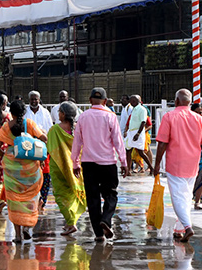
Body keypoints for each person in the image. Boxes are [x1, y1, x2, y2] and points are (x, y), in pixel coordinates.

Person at [153, 89, 202, 243]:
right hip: (192, 165)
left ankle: (188, 227)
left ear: (176, 101)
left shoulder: (169, 116)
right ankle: (179, 229)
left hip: (175, 164)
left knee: (177, 198)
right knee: (186, 197)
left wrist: (156, 164)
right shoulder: (200, 119)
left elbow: (162, 143)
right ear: (189, 103)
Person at [71, 87, 127, 242]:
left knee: (93, 197)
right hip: (108, 162)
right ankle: (106, 219)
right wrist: (124, 161)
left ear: (90, 101)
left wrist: (75, 162)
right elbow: (117, 140)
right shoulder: (110, 116)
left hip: (88, 163)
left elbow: (77, 142)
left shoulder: (83, 117)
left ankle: (98, 234)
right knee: (111, 194)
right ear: (105, 101)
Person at [0, 99, 48, 243]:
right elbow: (44, 138)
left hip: (13, 170)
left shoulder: (6, 127)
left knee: (14, 200)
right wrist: (40, 156)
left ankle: (18, 235)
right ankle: (27, 227)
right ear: (24, 112)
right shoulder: (30, 124)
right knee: (31, 198)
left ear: (10, 112)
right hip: (31, 168)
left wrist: (7, 156)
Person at [47, 101, 85, 236]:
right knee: (73, 193)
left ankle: (71, 221)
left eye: (59, 112)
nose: (58, 114)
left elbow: (50, 148)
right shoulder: (79, 129)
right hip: (76, 166)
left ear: (63, 114)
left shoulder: (55, 130)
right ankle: (70, 223)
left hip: (59, 167)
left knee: (60, 195)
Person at [123, 95, 149, 176]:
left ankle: (151, 167)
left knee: (141, 153)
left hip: (137, 133)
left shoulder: (142, 109)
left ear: (136, 101)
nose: (130, 103)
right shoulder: (134, 109)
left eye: (132, 101)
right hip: (131, 133)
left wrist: (138, 134)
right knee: (128, 150)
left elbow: (143, 122)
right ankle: (128, 170)